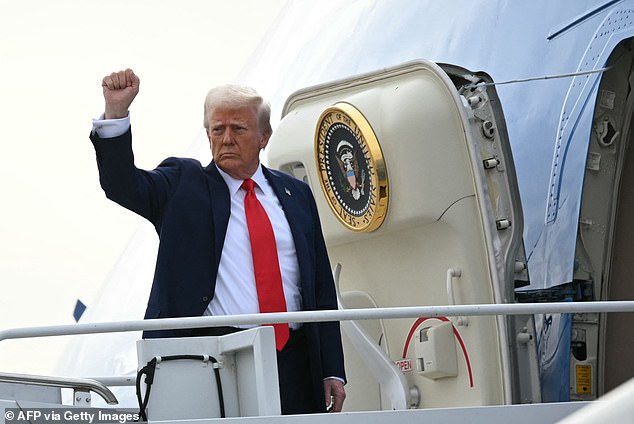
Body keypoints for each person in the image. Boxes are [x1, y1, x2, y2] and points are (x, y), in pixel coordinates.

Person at [90, 69, 346, 414]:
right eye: (217, 129)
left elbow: (319, 287)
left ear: (263, 136)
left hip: (295, 358)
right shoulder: (183, 184)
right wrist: (116, 114)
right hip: (216, 355)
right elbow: (121, 184)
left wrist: (332, 368)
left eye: (238, 129)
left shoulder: (295, 193)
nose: (226, 138)